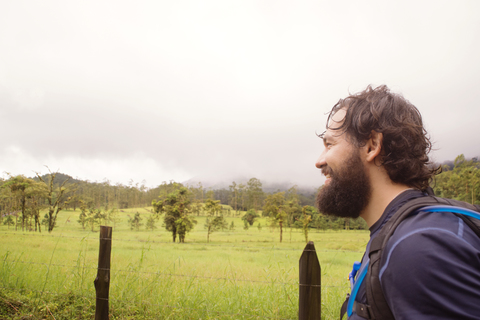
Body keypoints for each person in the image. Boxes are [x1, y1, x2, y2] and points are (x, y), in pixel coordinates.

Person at [315, 85, 480, 319]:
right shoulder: (398, 233)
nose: (319, 161)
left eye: (330, 144)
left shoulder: (418, 247)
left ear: (372, 145)